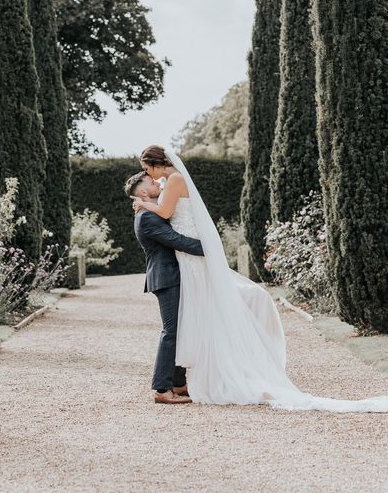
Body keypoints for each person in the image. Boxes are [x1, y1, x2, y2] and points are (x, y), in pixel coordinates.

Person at [132, 144, 388, 412]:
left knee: (189, 321)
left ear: (153, 164)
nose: (148, 174)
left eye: (146, 169)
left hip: (191, 260)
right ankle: (172, 384)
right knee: (183, 324)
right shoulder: (167, 186)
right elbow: (168, 220)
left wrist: (146, 203)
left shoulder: (173, 179)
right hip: (184, 263)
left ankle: (179, 382)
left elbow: (164, 212)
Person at [125, 170, 204, 404]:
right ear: (143, 192)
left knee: (180, 329)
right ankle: (161, 389)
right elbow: (175, 240)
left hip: (172, 275)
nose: (157, 183)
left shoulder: (150, 212)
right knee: (171, 331)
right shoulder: (146, 218)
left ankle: (178, 384)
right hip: (166, 277)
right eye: (151, 182)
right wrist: (208, 247)